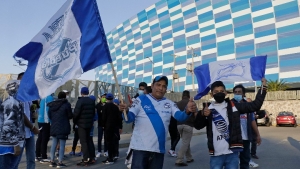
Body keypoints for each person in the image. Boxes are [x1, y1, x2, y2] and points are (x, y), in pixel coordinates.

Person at [119, 75, 197, 169]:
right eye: (158, 85)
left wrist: (187, 111)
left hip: (158, 150)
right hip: (140, 149)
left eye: (164, 86)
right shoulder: (140, 100)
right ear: (152, 86)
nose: (161, 88)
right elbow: (129, 119)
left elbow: (180, 117)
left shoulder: (170, 103)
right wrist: (125, 111)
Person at [194, 78, 267, 169]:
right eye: (216, 91)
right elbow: (197, 126)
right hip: (216, 154)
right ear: (211, 94)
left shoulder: (233, 106)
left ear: (225, 93)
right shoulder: (207, 109)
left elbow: (254, 105)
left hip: (232, 154)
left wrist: (263, 87)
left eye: (221, 91)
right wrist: (202, 115)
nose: (219, 93)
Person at [0, 80, 39, 169]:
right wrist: (15, 144)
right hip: (9, 145)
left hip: (11, 143)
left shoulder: (14, 101)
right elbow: (9, 124)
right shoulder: (13, 103)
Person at [232, 85, 261, 169]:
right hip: (234, 138)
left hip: (245, 138)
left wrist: (258, 135)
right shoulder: (230, 105)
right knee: (232, 161)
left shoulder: (248, 106)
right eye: (235, 92)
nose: (237, 94)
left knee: (245, 160)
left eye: (239, 92)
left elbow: (252, 121)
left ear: (243, 94)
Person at [16, 72, 36, 169]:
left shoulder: (28, 96)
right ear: (18, 80)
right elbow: (21, 115)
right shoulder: (17, 96)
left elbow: (30, 111)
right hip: (20, 132)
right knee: (16, 159)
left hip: (29, 133)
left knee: (31, 158)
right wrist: (33, 127)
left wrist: (33, 113)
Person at [48, 92, 73, 168]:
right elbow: (70, 116)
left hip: (54, 126)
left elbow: (49, 115)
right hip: (63, 126)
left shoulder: (52, 105)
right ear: (65, 97)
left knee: (54, 144)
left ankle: (52, 161)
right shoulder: (66, 105)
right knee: (62, 145)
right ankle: (60, 162)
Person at [73, 87, 95, 166]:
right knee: (89, 140)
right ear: (88, 92)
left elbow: (76, 113)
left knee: (83, 141)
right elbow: (93, 113)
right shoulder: (91, 101)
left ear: (81, 93)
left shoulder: (80, 101)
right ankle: (91, 157)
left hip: (81, 124)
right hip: (89, 123)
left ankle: (85, 159)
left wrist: (75, 122)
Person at [175, 90, 197, 166]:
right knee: (185, 142)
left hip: (179, 125)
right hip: (188, 124)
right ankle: (179, 160)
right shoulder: (191, 103)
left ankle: (189, 157)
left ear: (182, 96)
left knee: (186, 141)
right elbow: (195, 114)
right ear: (188, 96)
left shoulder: (177, 103)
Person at [102, 93, 122, 164]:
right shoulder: (115, 107)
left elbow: (103, 118)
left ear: (106, 98)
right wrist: (120, 127)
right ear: (112, 98)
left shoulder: (105, 107)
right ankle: (114, 155)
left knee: (108, 142)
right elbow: (119, 118)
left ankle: (110, 158)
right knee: (114, 141)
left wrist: (103, 125)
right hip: (115, 127)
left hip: (107, 127)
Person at [36, 93, 54, 163]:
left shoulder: (42, 97)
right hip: (46, 121)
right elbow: (50, 110)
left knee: (40, 138)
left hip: (40, 120)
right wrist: (51, 121)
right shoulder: (50, 98)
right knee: (45, 139)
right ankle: (44, 156)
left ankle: (37, 155)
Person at [96, 93, 108, 158]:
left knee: (106, 138)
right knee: (99, 138)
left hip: (106, 124)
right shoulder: (98, 105)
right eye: (103, 97)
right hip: (100, 124)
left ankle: (106, 151)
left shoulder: (107, 105)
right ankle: (99, 151)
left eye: (105, 97)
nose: (104, 98)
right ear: (100, 98)